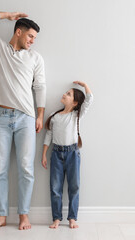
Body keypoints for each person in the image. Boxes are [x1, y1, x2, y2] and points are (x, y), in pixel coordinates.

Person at [0, 11, 46, 230]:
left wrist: (40, 115)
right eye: (30, 36)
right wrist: (7, 15)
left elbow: (40, 86)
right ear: (18, 31)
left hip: (26, 118)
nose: (33, 41)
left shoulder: (35, 58)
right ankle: (2, 215)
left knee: (26, 169)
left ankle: (24, 215)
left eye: (35, 38)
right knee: (0, 170)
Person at [42, 81, 93, 229]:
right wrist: (44, 154)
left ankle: (72, 218)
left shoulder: (76, 115)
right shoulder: (54, 116)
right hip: (56, 154)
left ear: (75, 102)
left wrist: (84, 85)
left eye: (69, 94)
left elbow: (89, 100)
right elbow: (48, 135)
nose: (64, 94)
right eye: (66, 92)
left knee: (74, 186)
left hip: (72, 154)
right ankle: (56, 218)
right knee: (55, 187)